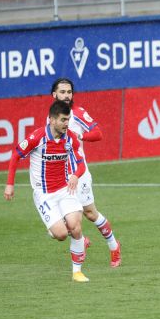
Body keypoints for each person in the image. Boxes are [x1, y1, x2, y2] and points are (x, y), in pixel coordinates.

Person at [4, 100, 91, 282]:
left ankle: (77, 272)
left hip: (65, 189)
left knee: (76, 227)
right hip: (43, 194)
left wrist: (75, 175)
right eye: (62, 120)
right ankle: (63, 233)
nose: (66, 123)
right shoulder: (37, 137)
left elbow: (81, 164)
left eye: (68, 119)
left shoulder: (71, 138)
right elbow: (15, 155)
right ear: (51, 120)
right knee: (60, 234)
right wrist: (10, 184)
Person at [51, 78, 121, 267]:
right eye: (62, 92)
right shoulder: (51, 117)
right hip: (58, 177)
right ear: (54, 95)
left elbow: (98, 133)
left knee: (90, 213)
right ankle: (80, 240)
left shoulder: (78, 114)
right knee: (56, 223)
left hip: (78, 174)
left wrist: (79, 135)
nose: (66, 95)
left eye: (69, 92)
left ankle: (114, 246)